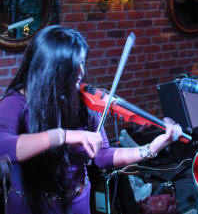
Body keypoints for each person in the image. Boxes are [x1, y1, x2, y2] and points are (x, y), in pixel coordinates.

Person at [0, 25, 183, 214]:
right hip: (30, 206)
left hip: (78, 202)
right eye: (74, 65)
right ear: (51, 68)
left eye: (83, 63)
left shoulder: (83, 100)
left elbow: (102, 156)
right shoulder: (16, 102)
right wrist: (63, 136)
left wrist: (151, 149)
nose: (81, 71)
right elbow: (2, 146)